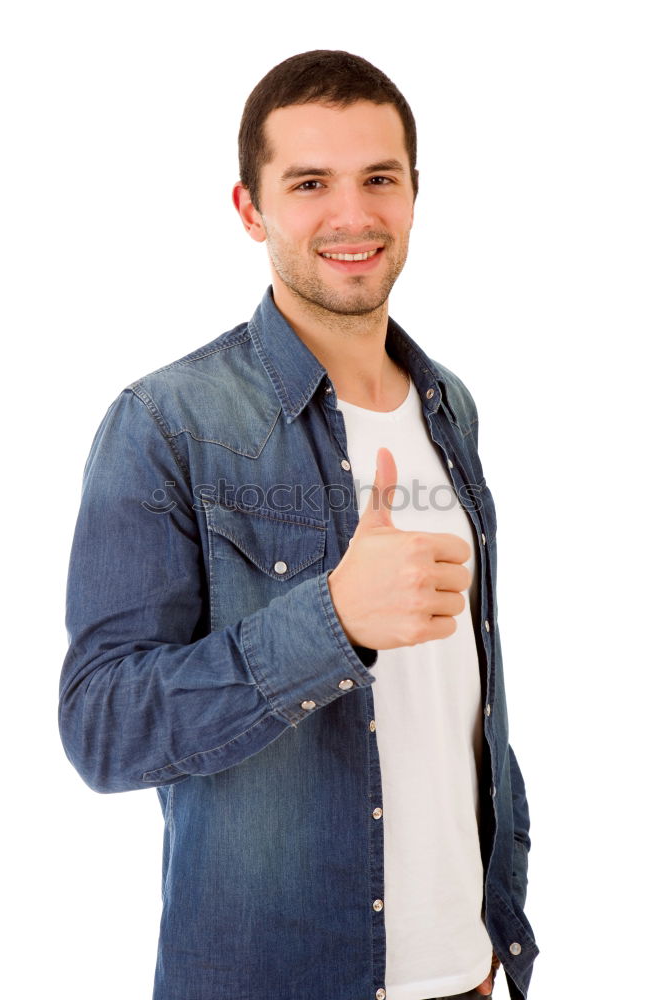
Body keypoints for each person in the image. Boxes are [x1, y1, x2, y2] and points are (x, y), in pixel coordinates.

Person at [59, 50, 538, 1000]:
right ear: (250, 209)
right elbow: (101, 724)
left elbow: (463, 705)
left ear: (413, 196)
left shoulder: (452, 408)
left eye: (379, 179)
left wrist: (496, 936)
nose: (353, 215)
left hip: (467, 974)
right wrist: (333, 622)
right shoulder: (167, 421)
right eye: (310, 183)